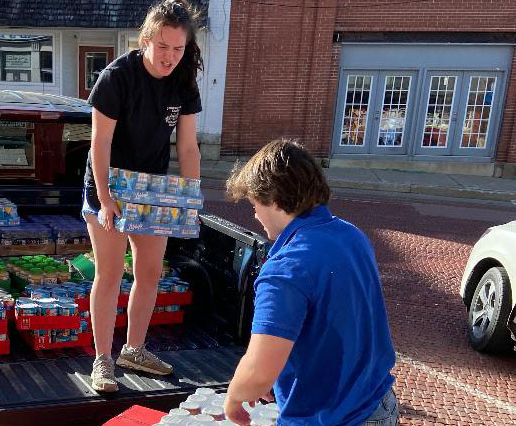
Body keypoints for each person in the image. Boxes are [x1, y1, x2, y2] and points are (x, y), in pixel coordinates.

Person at [222, 138, 398, 425]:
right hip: (377, 404)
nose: (254, 214)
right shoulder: (351, 235)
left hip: (331, 417)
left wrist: (234, 396)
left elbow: (258, 372)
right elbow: (334, 322)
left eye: (254, 204)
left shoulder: (285, 269)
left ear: (275, 201)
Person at [82, 0, 203, 393]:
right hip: (110, 183)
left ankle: (133, 349)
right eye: (163, 46)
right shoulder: (117, 77)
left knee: (150, 272)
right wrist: (105, 200)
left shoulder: (183, 81)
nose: (170, 57)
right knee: (111, 273)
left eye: (178, 49)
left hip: (153, 188)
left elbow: (187, 149)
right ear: (147, 38)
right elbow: (100, 143)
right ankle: (102, 359)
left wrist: (189, 200)